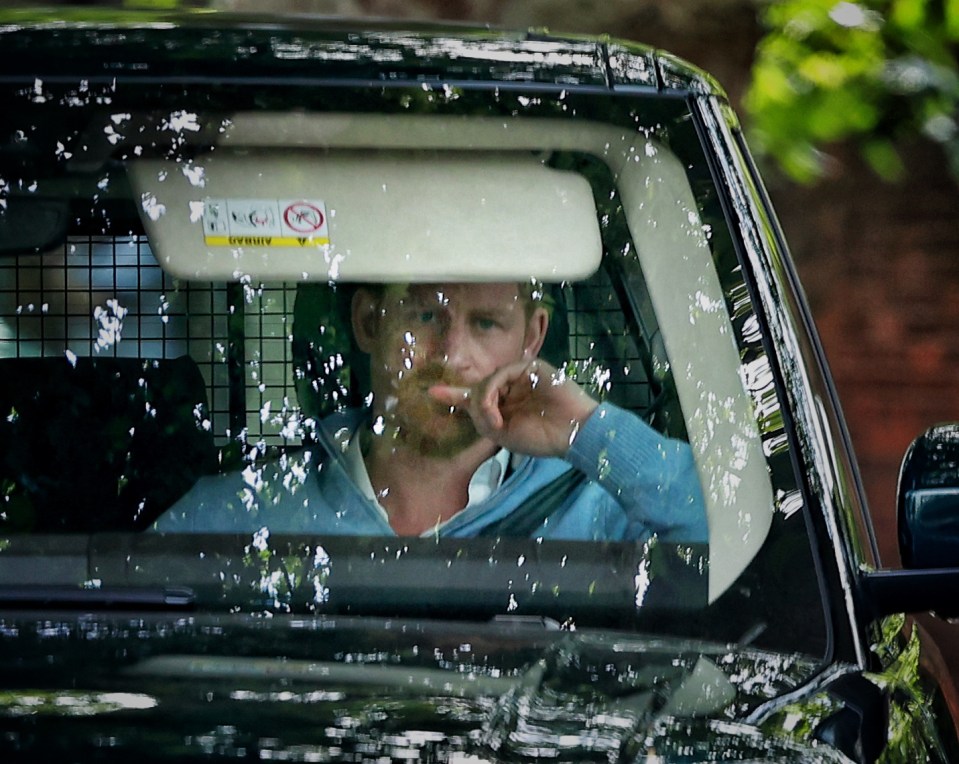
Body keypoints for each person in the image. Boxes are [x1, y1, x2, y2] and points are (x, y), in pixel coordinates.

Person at [153, 281, 707, 543]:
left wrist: (590, 432)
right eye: (424, 314)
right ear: (369, 322)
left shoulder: (604, 512)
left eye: (485, 323)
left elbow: (745, 547)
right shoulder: (234, 516)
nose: (451, 357)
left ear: (533, 337)